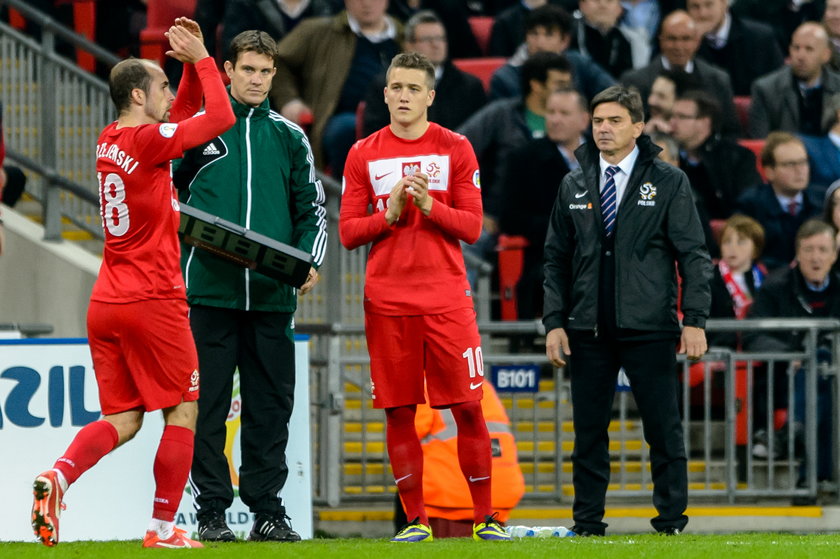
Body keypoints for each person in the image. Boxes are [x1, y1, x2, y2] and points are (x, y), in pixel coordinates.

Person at [30, 18, 235, 548]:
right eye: (162, 85)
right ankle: (163, 528)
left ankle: (58, 475)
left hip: (108, 300)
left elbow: (182, 115)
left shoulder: (112, 139)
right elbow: (219, 116)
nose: (169, 92)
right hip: (153, 298)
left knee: (123, 417)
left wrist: (186, 69)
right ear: (140, 94)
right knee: (184, 408)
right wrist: (206, 59)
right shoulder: (146, 141)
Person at [339, 52, 511, 542]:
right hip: (388, 302)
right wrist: (389, 213)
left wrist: (429, 205)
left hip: (447, 299)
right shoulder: (361, 154)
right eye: (396, 87)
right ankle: (415, 520)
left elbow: (474, 227)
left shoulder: (456, 148)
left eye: (414, 88)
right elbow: (350, 232)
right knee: (399, 410)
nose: (404, 96)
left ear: (431, 96)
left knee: (468, 408)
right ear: (386, 94)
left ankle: (485, 518)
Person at [173, 30, 326, 543]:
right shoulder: (196, 132)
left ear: (274, 75)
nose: (258, 80)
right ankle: (211, 512)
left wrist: (309, 260)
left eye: (266, 71)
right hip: (207, 295)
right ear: (228, 70)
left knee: (268, 410)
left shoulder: (289, 136)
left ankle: (267, 510)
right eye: (249, 70)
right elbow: (164, 197)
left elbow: (312, 209)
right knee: (208, 407)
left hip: (270, 298)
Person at [543, 85, 712, 536]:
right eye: (598, 120)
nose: (603, 128)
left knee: (663, 429)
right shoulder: (573, 182)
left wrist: (694, 319)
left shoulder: (670, 180)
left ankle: (672, 521)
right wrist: (554, 323)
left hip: (650, 327)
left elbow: (694, 255)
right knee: (589, 434)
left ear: (638, 127)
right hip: (587, 328)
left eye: (615, 120)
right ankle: (587, 523)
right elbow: (555, 259)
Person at [744, 219, 840, 495]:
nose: (816, 257)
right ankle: (813, 476)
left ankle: (794, 433)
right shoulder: (776, 287)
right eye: (808, 250)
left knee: (821, 364)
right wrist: (791, 356)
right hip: (781, 382)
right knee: (817, 368)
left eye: (823, 250)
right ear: (797, 254)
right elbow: (752, 334)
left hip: (834, 382)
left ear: (834, 255)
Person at [269, 0, 401, 176]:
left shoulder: (408, 36)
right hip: (339, 118)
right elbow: (275, 61)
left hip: (397, 119)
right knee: (347, 130)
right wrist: (288, 100)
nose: (366, 4)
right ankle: (344, 197)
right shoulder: (318, 31)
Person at [498, 86, 589, 320]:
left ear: (584, 120)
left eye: (564, 113)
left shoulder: (607, 156)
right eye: (551, 112)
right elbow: (509, 217)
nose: (555, 120)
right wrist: (560, 227)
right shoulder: (523, 158)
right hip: (547, 255)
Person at [393, 382, 525, 538]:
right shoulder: (481, 384)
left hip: (448, 497)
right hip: (499, 494)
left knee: (406, 482)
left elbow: (406, 437)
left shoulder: (423, 385)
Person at [362, 10, 487, 136]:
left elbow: (482, 137)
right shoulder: (385, 86)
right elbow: (375, 136)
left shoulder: (470, 87)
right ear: (409, 45)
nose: (436, 45)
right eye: (427, 39)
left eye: (440, 38)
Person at [668, 90, 761, 256]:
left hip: (731, 242)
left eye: (682, 117)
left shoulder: (738, 157)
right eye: (672, 116)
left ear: (705, 122)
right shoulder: (665, 158)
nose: (672, 124)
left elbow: (750, 203)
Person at [619, 11, 741, 136]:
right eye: (672, 39)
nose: (678, 46)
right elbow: (624, 130)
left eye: (686, 39)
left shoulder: (718, 80)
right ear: (661, 40)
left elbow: (731, 132)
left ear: (697, 42)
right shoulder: (635, 81)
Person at [489, 5, 616, 103]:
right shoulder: (505, 77)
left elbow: (613, 92)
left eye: (549, 35)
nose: (539, 42)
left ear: (564, 41)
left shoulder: (578, 62)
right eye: (534, 34)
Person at [736, 132, 823, 270]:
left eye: (803, 162)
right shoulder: (750, 205)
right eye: (790, 164)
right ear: (769, 171)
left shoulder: (824, 200)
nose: (799, 170)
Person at [749, 22, 840, 139]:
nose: (800, 56)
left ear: (826, 55)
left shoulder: (838, 87)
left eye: (809, 49)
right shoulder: (765, 89)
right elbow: (760, 142)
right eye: (796, 48)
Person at [686, 0, 784, 96]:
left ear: (724, 4)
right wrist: (693, 43)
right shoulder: (683, 43)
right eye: (695, 7)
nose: (702, 14)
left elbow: (779, 85)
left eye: (709, 5)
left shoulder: (760, 38)